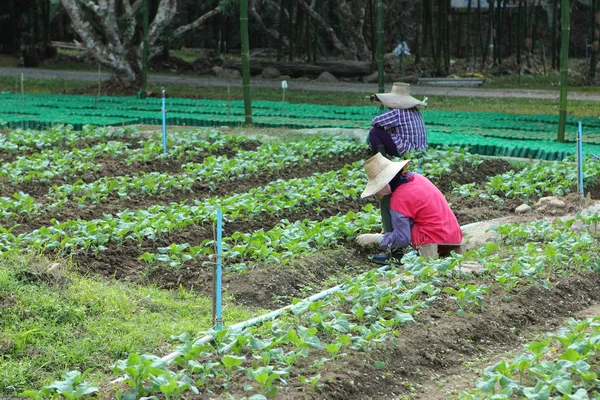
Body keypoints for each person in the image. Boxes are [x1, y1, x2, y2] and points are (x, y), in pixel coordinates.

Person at [355, 153, 463, 264]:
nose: (377, 192)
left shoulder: (398, 199)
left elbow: (402, 238)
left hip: (433, 241)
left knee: (386, 201)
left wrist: (376, 238)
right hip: (453, 236)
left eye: (377, 187)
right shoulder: (416, 177)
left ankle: (395, 254)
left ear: (385, 183)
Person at [367, 83, 429, 263]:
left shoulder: (397, 113)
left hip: (405, 156)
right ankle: (403, 243)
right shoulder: (415, 112)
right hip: (417, 158)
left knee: (388, 198)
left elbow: (375, 123)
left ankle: (395, 249)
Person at [368, 82, 428, 159]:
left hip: (407, 152)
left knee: (374, 132)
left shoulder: (397, 112)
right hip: (420, 152)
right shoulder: (415, 110)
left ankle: (382, 162)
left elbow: (375, 121)